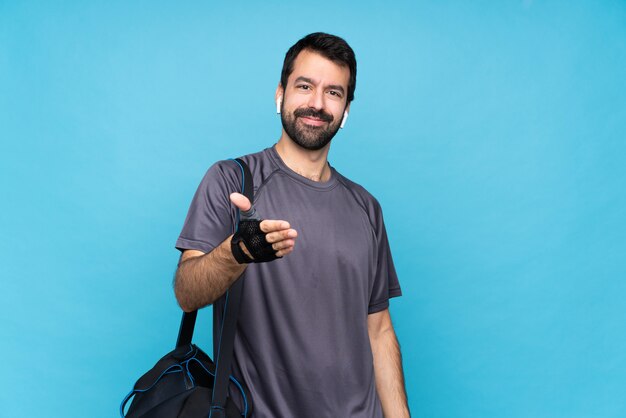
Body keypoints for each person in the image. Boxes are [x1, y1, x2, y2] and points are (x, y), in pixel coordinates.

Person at [174, 32, 410, 417]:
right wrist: (237, 252)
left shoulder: (366, 207)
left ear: (346, 109)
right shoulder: (232, 181)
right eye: (305, 86)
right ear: (280, 93)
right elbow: (187, 292)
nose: (317, 103)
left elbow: (379, 329)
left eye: (334, 92)